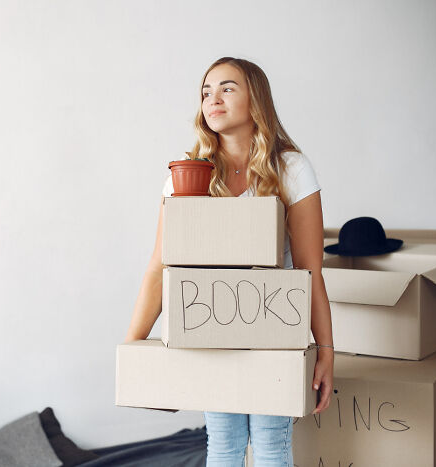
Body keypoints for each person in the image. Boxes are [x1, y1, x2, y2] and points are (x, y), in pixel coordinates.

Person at [124, 57, 334, 466]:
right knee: (223, 443)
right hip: (210, 333)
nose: (212, 99)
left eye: (227, 88)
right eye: (206, 91)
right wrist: (133, 348)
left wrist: (326, 350)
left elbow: (310, 273)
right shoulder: (187, 176)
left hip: (274, 333)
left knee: (272, 445)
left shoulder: (290, 169)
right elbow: (159, 265)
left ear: (255, 98)